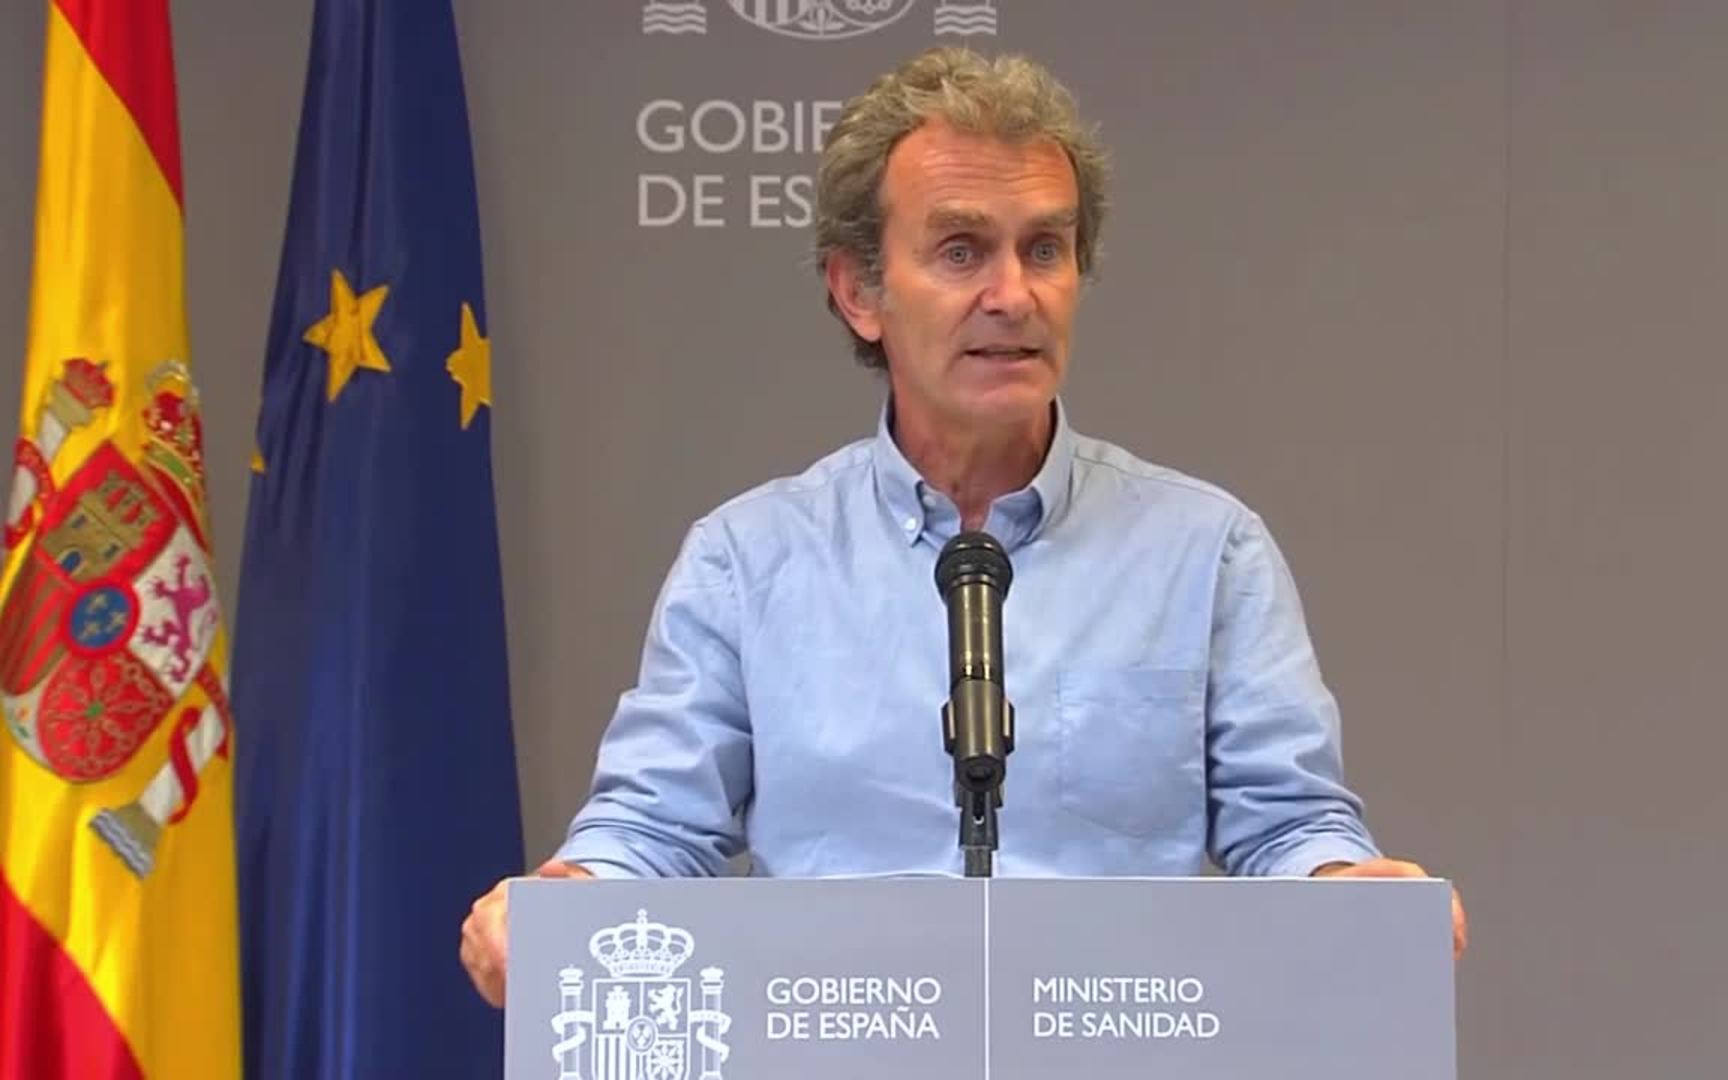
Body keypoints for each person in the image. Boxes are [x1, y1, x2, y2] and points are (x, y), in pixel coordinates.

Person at [459, 46, 1466, 1007]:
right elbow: (651, 830)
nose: (1013, 295)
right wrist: (563, 905)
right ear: (859, 292)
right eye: (960, 251)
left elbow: (1288, 824)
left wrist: (1349, 887)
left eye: (1045, 249)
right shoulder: (748, 561)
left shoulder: (1205, 552)